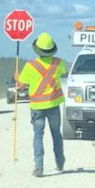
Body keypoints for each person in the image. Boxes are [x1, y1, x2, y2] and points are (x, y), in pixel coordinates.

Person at [14, 32, 66, 177]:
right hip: (54, 105)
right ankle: (60, 161)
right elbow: (61, 73)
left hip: (37, 107)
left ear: (37, 49)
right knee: (56, 134)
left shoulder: (30, 66)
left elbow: (22, 86)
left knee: (38, 136)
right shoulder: (59, 63)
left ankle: (39, 167)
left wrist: (17, 78)